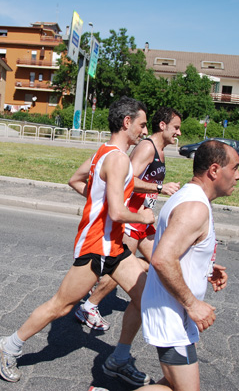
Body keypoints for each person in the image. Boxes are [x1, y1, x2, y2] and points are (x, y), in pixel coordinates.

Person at [0, 97, 155, 387]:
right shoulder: (117, 159)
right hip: (96, 247)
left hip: (114, 247)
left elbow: (75, 180)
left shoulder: (104, 153)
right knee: (61, 306)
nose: (144, 131)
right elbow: (117, 212)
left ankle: (119, 358)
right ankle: (9, 345)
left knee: (145, 298)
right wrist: (142, 217)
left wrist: (96, 203)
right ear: (126, 122)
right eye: (142, 124)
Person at [140, 140, 238, 391]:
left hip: (174, 312)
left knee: (174, 385)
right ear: (215, 171)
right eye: (235, 168)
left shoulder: (190, 197)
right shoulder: (194, 207)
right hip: (172, 315)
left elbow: (179, 249)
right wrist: (193, 304)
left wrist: (205, 267)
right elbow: (162, 259)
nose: (238, 176)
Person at [75, 107, 183, 331]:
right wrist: (160, 188)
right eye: (176, 128)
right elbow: (128, 180)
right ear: (162, 126)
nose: (179, 133)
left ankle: (171, 302)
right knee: (121, 263)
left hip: (143, 218)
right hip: (132, 218)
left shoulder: (160, 150)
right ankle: (90, 304)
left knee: (159, 261)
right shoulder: (147, 148)